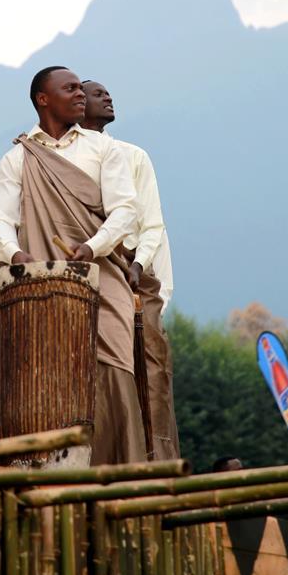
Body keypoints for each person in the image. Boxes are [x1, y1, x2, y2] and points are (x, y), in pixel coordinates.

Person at [0, 66, 147, 465]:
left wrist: (91, 247)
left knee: (113, 368)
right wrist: (15, 254)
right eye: (69, 88)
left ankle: (114, 473)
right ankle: (43, 468)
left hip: (104, 278)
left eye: (80, 89)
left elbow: (125, 211)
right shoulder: (17, 157)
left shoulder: (104, 149)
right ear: (43, 98)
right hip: (38, 284)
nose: (80, 95)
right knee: (40, 374)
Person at [81, 79, 180, 459]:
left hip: (132, 272)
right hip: (83, 272)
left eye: (108, 92)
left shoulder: (132, 155)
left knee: (149, 368)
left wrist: (137, 266)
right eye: (95, 93)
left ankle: (150, 455)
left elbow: (151, 223)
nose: (107, 97)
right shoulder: (57, 157)